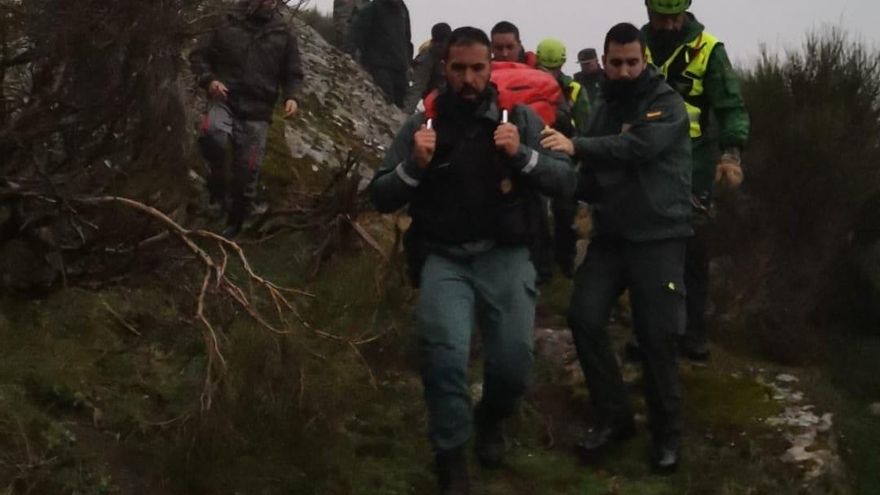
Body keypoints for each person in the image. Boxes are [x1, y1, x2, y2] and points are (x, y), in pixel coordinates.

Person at [369, 27, 575, 494]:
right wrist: (413, 169)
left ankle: (490, 421)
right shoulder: (423, 124)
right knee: (443, 358)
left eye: (477, 68)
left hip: (506, 254)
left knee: (512, 367)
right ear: (445, 68)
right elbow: (378, 195)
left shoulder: (519, 119)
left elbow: (566, 181)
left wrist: (520, 155)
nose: (467, 78)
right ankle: (450, 455)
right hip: (445, 258)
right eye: (458, 68)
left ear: (491, 69)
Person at [541, 22, 692, 474]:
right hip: (610, 237)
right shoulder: (604, 105)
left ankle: (668, 437)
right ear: (604, 63)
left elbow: (636, 147)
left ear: (645, 61)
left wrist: (577, 146)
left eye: (632, 62)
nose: (624, 70)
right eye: (616, 62)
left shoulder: (665, 102)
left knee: (657, 338)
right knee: (584, 318)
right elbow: (589, 173)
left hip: (659, 237)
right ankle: (614, 418)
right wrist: (547, 170)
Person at [642, 0, 750, 361]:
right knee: (646, 251)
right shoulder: (634, 46)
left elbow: (731, 106)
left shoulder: (708, 49)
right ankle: (650, 333)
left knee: (693, 251)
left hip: (694, 163)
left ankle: (693, 333)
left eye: (675, 17)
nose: (670, 25)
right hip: (643, 160)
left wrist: (731, 153)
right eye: (662, 17)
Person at [190, 0, 304, 238]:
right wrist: (210, 80)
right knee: (213, 137)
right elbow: (198, 56)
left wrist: (292, 97)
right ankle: (215, 195)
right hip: (223, 103)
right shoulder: (224, 19)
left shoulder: (284, 32)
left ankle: (235, 225)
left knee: (248, 170)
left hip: (258, 114)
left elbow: (293, 73)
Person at [535, 38, 591, 278]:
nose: (550, 73)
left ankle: (563, 265)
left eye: (553, 68)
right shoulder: (532, 84)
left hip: (564, 154)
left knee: (563, 212)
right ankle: (545, 267)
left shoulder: (574, 89)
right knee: (539, 213)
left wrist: (580, 151)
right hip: (539, 155)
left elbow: (586, 123)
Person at [347, 0, 413, 108]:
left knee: (400, 107)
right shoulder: (373, 7)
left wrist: (408, 64)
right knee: (385, 102)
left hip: (400, 70)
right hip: (379, 67)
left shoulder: (403, 9)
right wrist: (349, 58)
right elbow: (355, 34)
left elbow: (407, 39)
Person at [404, 22, 452, 113]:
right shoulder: (426, 59)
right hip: (435, 100)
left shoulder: (456, 53)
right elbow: (417, 87)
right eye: (439, 44)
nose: (443, 47)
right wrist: (405, 114)